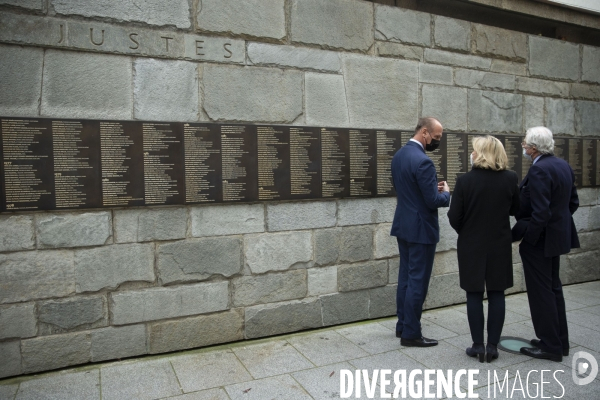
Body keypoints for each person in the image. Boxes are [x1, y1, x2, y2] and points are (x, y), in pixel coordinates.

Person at [447, 135, 520, 362]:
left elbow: (453, 216)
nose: (471, 153)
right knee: (497, 293)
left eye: (474, 150)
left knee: (474, 293)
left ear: (481, 154)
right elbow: (517, 209)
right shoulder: (510, 178)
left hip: (471, 245)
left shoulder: (464, 181)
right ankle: (493, 347)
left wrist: (468, 233)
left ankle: (478, 346)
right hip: (499, 244)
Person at [512, 126, 579, 362]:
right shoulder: (563, 165)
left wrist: (529, 238)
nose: (522, 146)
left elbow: (540, 212)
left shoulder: (540, 170)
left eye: (524, 143)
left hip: (540, 241)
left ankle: (550, 346)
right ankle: (559, 341)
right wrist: (558, 225)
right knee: (553, 289)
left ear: (533, 147)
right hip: (557, 238)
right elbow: (572, 203)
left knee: (541, 292)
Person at [391, 117, 450, 347]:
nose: (437, 142)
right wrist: (446, 193)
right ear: (424, 133)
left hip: (404, 226)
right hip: (421, 230)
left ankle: (403, 325)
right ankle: (412, 334)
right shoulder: (424, 162)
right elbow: (433, 201)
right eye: (436, 138)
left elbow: (406, 190)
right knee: (418, 281)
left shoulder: (399, 155)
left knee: (405, 277)